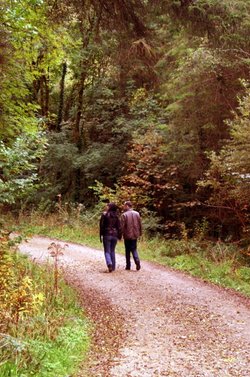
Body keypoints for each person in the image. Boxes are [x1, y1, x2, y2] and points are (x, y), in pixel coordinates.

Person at [99, 202, 122, 272]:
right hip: (114, 235)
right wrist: (119, 236)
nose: (106, 207)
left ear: (110, 207)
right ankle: (113, 267)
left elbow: (101, 225)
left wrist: (101, 235)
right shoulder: (117, 216)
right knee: (112, 250)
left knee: (107, 251)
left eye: (108, 206)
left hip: (106, 234)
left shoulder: (105, 214)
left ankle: (109, 263)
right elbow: (119, 227)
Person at [121, 200, 142, 271]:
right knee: (134, 249)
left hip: (127, 235)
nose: (123, 207)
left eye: (124, 205)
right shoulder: (137, 214)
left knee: (127, 250)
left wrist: (120, 235)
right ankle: (137, 261)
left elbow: (122, 227)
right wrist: (140, 233)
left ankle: (128, 265)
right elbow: (140, 224)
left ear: (127, 206)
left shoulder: (124, 215)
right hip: (135, 235)